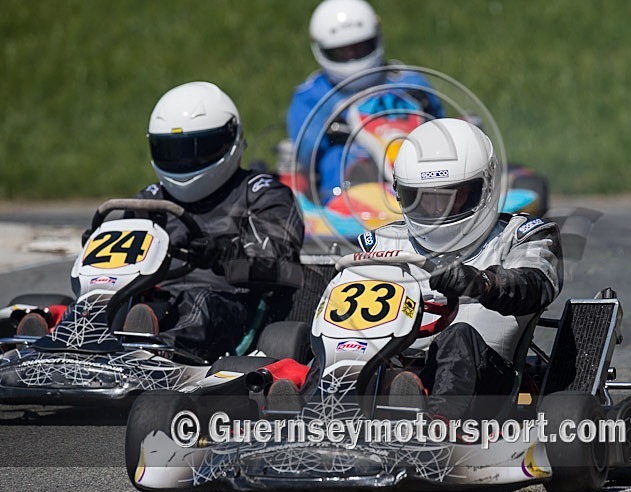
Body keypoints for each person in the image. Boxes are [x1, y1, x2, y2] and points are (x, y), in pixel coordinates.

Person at [356, 118, 564, 420]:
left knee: (459, 336)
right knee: (346, 342)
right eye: (424, 199)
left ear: (486, 187)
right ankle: (314, 416)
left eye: (452, 196)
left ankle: (436, 428)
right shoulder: (382, 241)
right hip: (395, 366)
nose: (437, 211)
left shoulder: (522, 235)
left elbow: (536, 284)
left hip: (486, 381)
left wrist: (482, 283)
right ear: (403, 194)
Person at [123, 81, 305, 362]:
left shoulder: (263, 194)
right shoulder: (149, 200)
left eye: (197, 149)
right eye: (174, 151)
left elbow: (283, 269)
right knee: (112, 302)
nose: (185, 162)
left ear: (230, 140)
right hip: (155, 301)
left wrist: (219, 255)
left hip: (232, 305)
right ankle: (67, 342)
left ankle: (153, 357)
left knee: (200, 303)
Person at [286, 0, 445, 205]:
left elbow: (442, 128)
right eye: (342, 51)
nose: (351, 56)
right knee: (345, 161)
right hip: (350, 193)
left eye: (359, 47)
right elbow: (306, 156)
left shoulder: (408, 81)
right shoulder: (311, 98)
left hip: (420, 175)